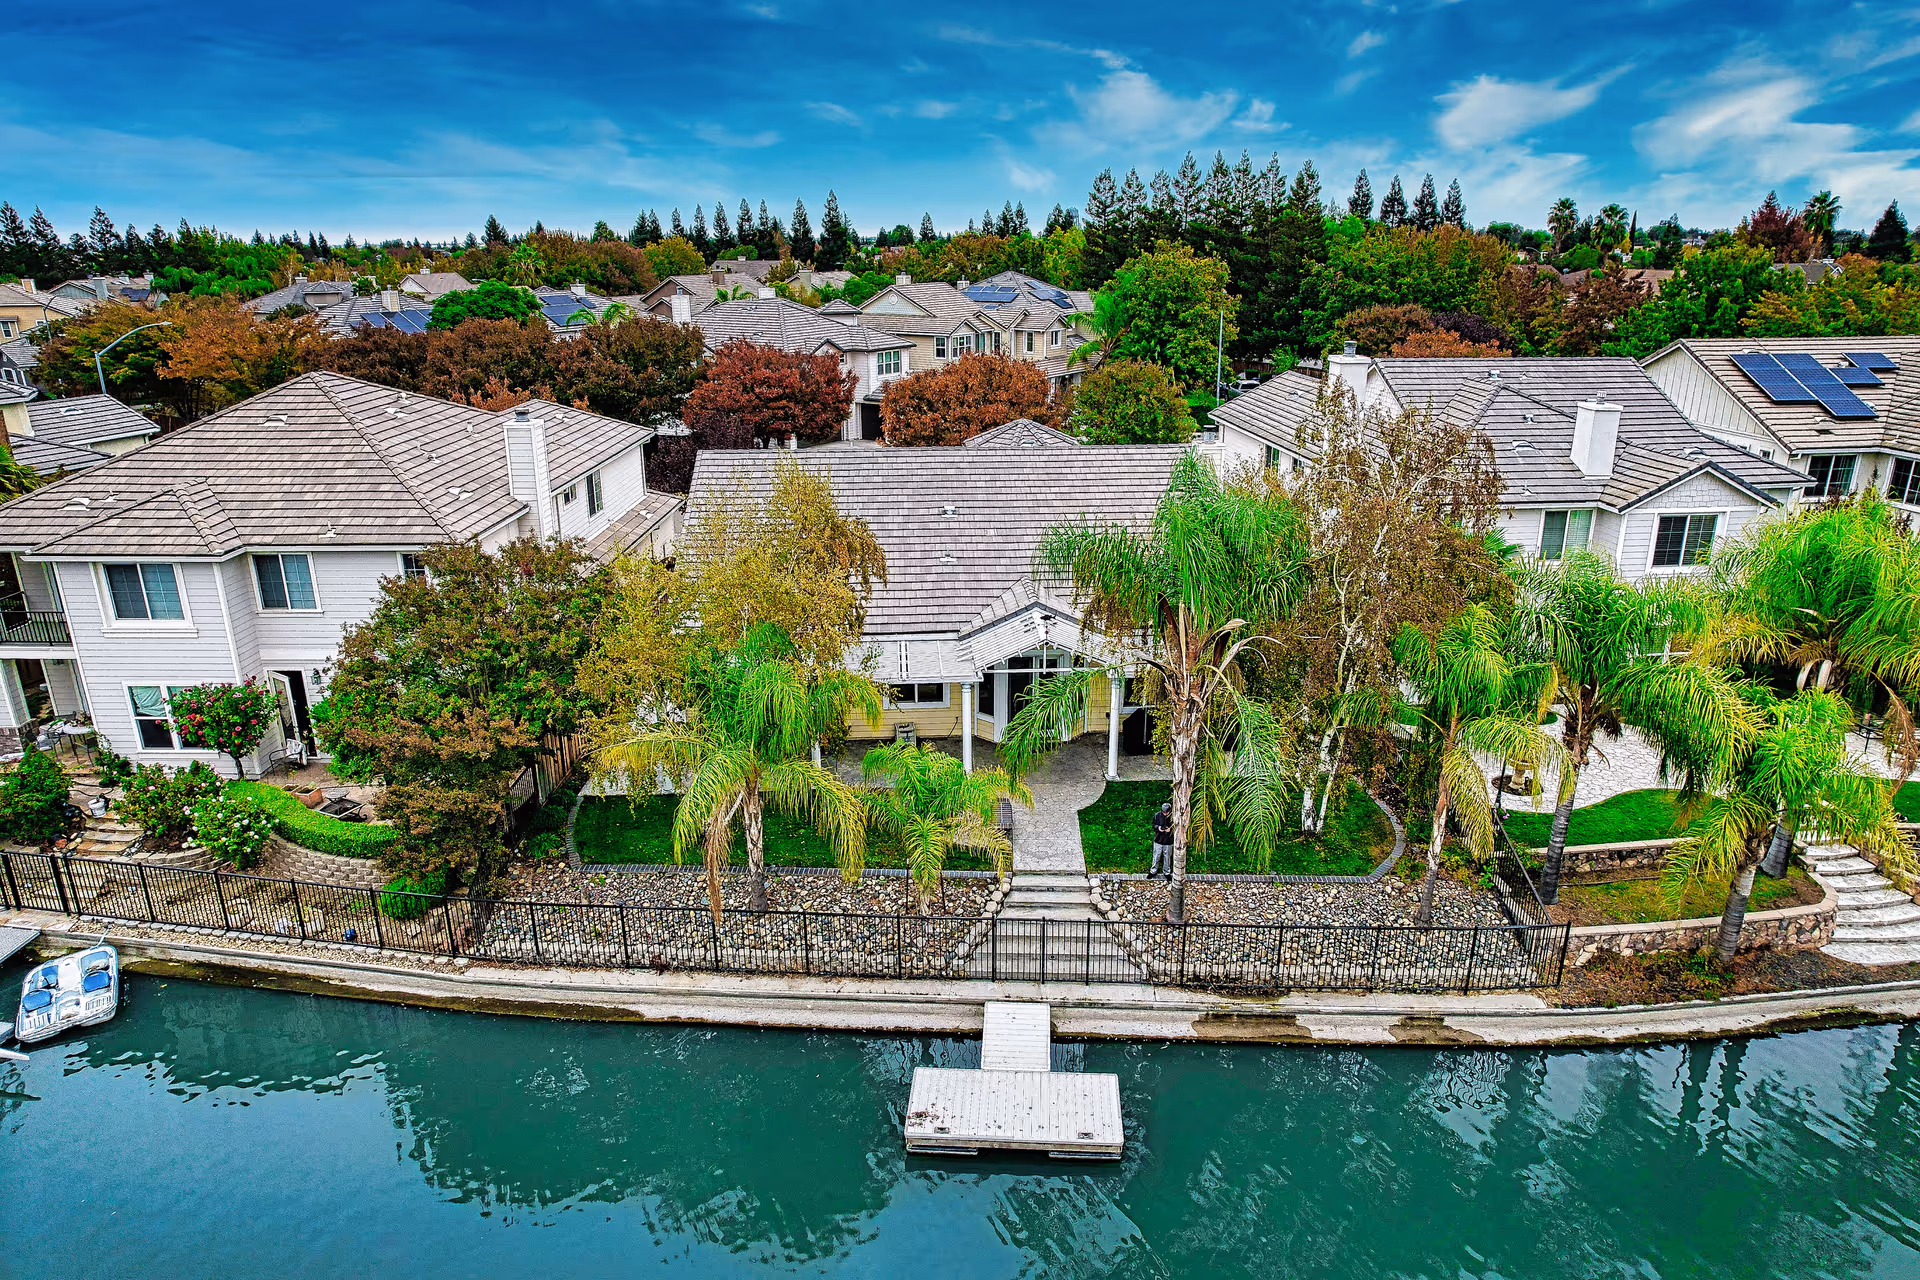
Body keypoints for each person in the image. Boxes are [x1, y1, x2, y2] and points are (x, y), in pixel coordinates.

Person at [1150, 802, 1173, 879]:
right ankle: (1153, 871)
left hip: (1168, 841)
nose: (1165, 814)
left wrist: (1170, 829)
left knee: (1167, 858)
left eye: (1167, 812)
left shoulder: (1173, 816)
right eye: (1164, 812)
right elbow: (1153, 825)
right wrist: (1159, 828)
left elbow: (1176, 825)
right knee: (1156, 856)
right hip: (1158, 840)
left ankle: (1167, 872)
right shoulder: (1157, 815)